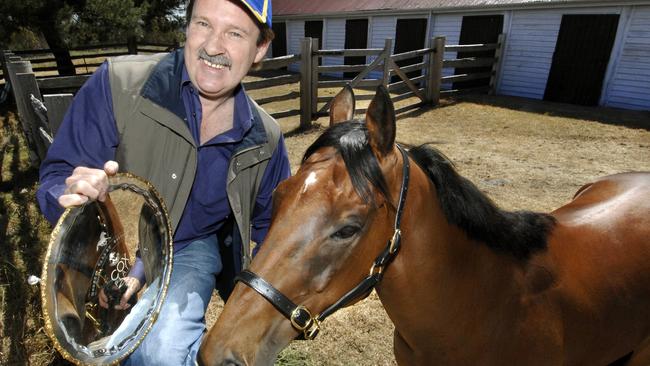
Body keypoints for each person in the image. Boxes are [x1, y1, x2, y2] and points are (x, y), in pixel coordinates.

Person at [36, 0, 291, 364]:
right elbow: (57, 176)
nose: (214, 46)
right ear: (187, 28)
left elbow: (276, 231)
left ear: (260, 49)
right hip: (111, 247)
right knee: (98, 348)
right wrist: (66, 192)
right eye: (204, 24)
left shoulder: (264, 138)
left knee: (163, 352)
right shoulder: (119, 85)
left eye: (235, 33)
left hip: (188, 247)